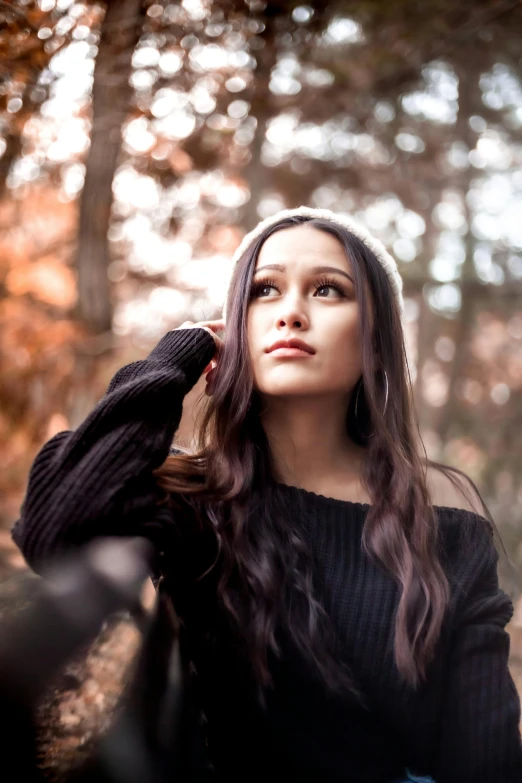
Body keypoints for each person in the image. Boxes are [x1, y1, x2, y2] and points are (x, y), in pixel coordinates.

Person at [12, 206, 522, 783]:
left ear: (377, 338)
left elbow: (486, 755)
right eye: (263, 291)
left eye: (328, 290)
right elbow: (54, 532)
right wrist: (175, 357)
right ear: (235, 327)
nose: (291, 314)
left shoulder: (447, 528)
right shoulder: (191, 501)